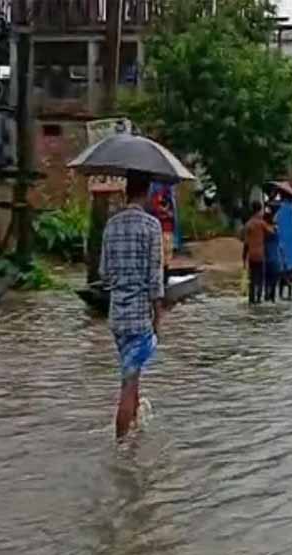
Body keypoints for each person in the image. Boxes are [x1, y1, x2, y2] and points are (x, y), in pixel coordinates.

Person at [99, 171, 164, 441]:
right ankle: (122, 445)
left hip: (117, 316)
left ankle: (134, 433)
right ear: (147, 192)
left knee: (131, 376)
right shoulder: (151, 226)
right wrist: (158, 318)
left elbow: (103, 274)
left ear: (127, 191)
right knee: (128, 384)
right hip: (139, 317)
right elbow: (155, 278)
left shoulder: (111, 226)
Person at [243, 201, 273, 305]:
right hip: (260, 255)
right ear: (260, 210)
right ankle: (259, 299)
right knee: (260, 279)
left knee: (252, 279)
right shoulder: (261, 223)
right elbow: (271, 232)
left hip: (251, 255)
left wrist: (244, 258)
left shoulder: (248, 224)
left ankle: (251, 300)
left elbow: (246, 243)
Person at [150, 185, 175, 285]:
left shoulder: (169, 199)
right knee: (160, 254)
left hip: (167, 229)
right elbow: (155, 211)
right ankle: (160, 279)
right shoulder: (154, 198)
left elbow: (172, 215)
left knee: (167, 254)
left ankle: (165, 278)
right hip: (159, 230)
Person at [263, 204, 282, 303]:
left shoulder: (264, 231)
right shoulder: (276, 230)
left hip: (267, 260)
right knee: (274, 284)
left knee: (267, 283)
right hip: (276, 260)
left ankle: (266, 299)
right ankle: (272, 300)